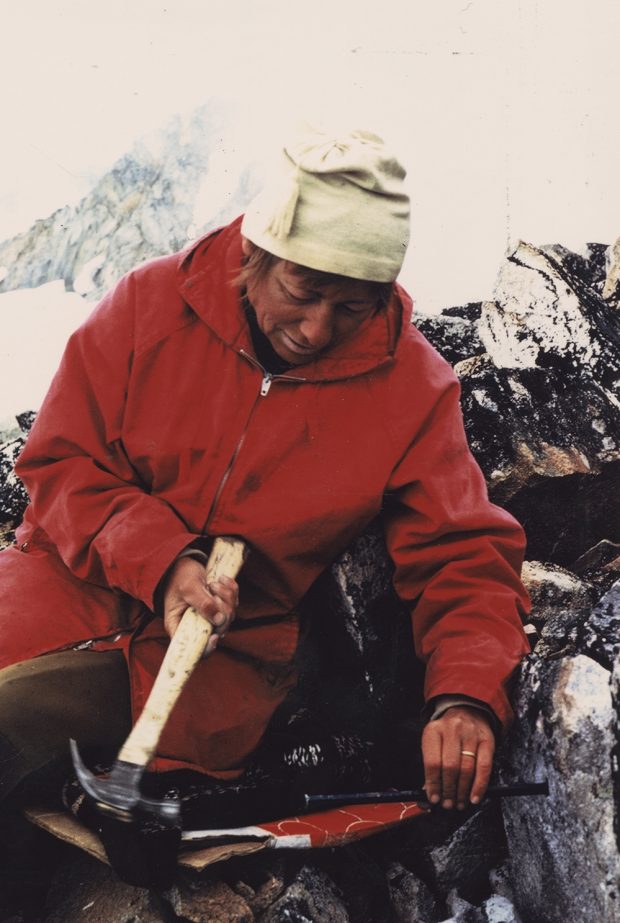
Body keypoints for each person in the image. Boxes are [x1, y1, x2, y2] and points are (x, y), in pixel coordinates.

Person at [0, 128, 530, 848]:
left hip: (219, 663)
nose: (316, 330)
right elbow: (60, 462)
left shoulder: (412, 387)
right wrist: (162, 560)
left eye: (352, 308)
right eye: (303, 292)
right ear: (258, 253)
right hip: (63, 582)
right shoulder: (149, 306)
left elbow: (462, 554)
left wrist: (467, 697)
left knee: (11, 721)